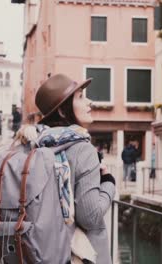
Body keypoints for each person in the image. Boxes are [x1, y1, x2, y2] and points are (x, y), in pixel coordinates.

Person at [32, 73, 116, 264]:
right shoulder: (83, 150)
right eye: (80, 97)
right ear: (63, 111)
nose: (90, 101)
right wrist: (109, 183)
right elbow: (91, 217)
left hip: (44, 251)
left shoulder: (38, 146)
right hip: (80, 255)